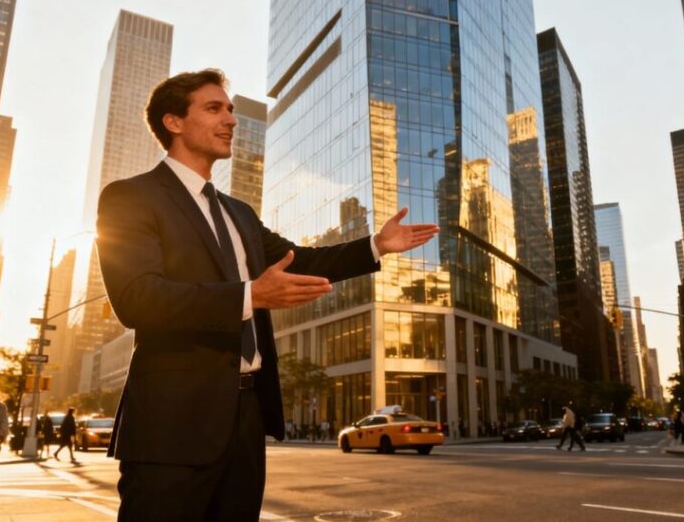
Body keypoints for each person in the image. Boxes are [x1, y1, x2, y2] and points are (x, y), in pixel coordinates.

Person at [96, 69, 438, 522]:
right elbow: (138, 298)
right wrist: (250, 295)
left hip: (245, 418)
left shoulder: (238, 212)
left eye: (232, 110)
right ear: (173, 122)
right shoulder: (130, 197)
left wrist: (375, 245)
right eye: (214, 108)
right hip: (172, 424)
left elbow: (303, 261)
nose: (231, 120)